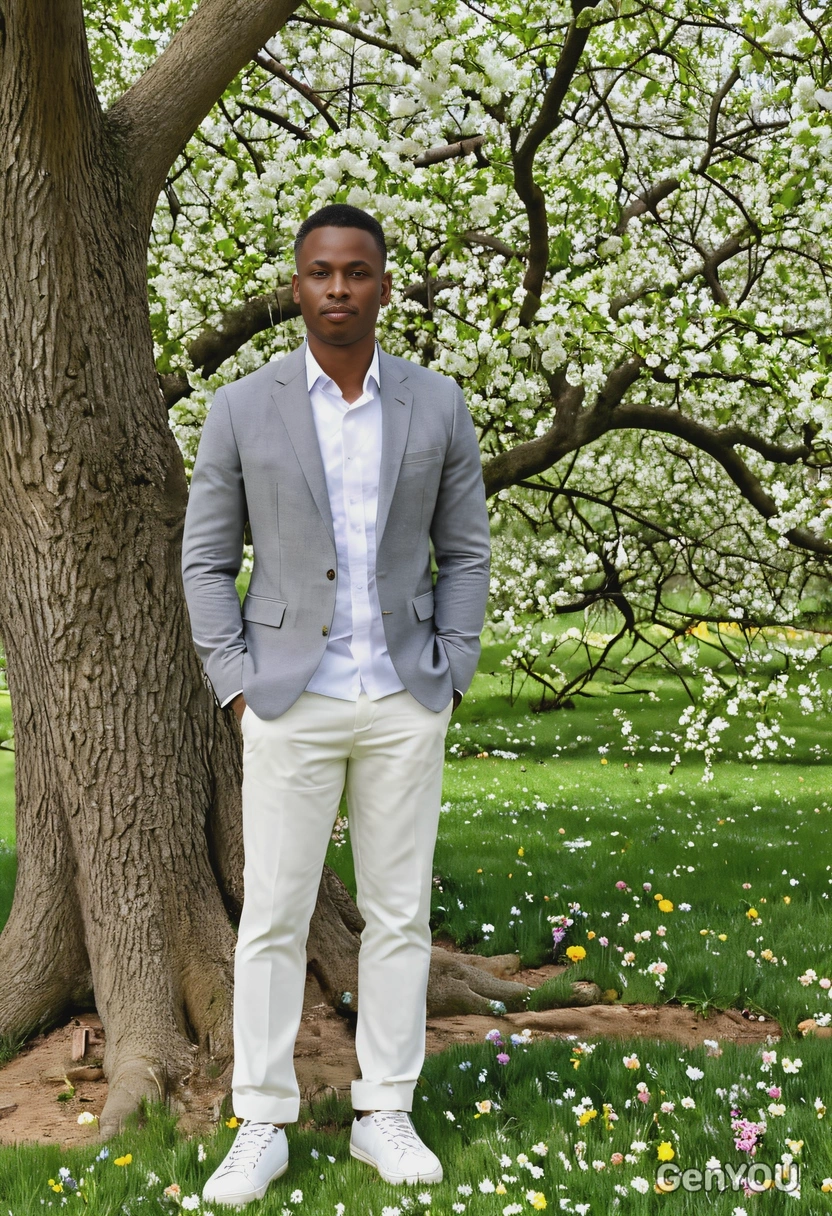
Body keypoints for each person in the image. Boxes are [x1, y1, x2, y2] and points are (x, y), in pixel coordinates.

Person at [181, 203, 490, 1206]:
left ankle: (384, 1110)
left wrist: (449, 670)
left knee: (398, 912)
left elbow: (467, 550)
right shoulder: (242, 408)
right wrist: (236, 686)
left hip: (403, 693)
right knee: (271, 913)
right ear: (297, 284)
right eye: (321, 272)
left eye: (357, 271)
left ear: (383, 284)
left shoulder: (435, 405)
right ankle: (260, 1121)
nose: (339, 289)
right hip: (287, 698)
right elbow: (205, 557)